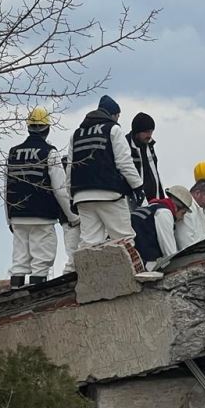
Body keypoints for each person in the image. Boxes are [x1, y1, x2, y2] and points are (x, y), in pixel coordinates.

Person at [5, 107, 79, 288]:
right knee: (41, 263)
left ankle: (15, 297)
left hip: (17, 216)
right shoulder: (49, 153)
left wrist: (9, 219)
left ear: (28, 127)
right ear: (47, 129)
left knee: (19, 261)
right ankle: (36, 297)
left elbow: (6, 188)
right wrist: (72, 217)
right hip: (42, 217)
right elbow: (61, 189)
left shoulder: (13, 153)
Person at [67, 95, 143, 249]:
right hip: (110, 193)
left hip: (82, 196)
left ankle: (89, 273)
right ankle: (125, 273)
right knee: (124, 240)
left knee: (90, 243)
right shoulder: (113, 129)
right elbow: (124, 163)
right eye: (118, 116)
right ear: (113, 114)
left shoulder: (76, 134)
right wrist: (138, 186)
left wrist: (70, 195)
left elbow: (70, 168)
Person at [131, 185, 192, 270]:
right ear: (176, 207)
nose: (182, 218)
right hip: (143, 263)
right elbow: (170, 253)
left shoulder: (153, 207)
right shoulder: (164, 213)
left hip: (133, 257)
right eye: (183, 213)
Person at [126, 112, 164, 203]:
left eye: (151, 131)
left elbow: (155, 174)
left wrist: (162, 198)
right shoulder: (125, 146)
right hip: (134, 202)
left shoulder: (149, 146)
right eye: (146, 132)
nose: (149, 135)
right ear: (137, 131)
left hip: (154, 201)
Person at [176, 178, 205, 249]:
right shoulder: (186, 208)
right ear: (197, 193)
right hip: (188, 256)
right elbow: (184, 241)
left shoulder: (201, 212)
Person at [58, 155, 80, 274]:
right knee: (74, 256)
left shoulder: (60, 167)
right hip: (75, 217)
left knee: (73, 255)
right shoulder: (79, 165)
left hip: (70, 218)